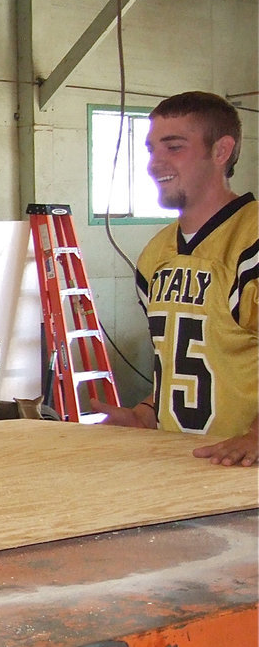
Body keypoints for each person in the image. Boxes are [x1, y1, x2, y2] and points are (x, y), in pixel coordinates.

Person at [91, 91, 257, 467]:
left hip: (247, 472)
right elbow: (182, 363)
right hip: (182, 466)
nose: (155, 163)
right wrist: (146, 413)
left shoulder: (251, 242)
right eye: (152, 149)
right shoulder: (155, 255)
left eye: (174, 147)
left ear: (221, 150)